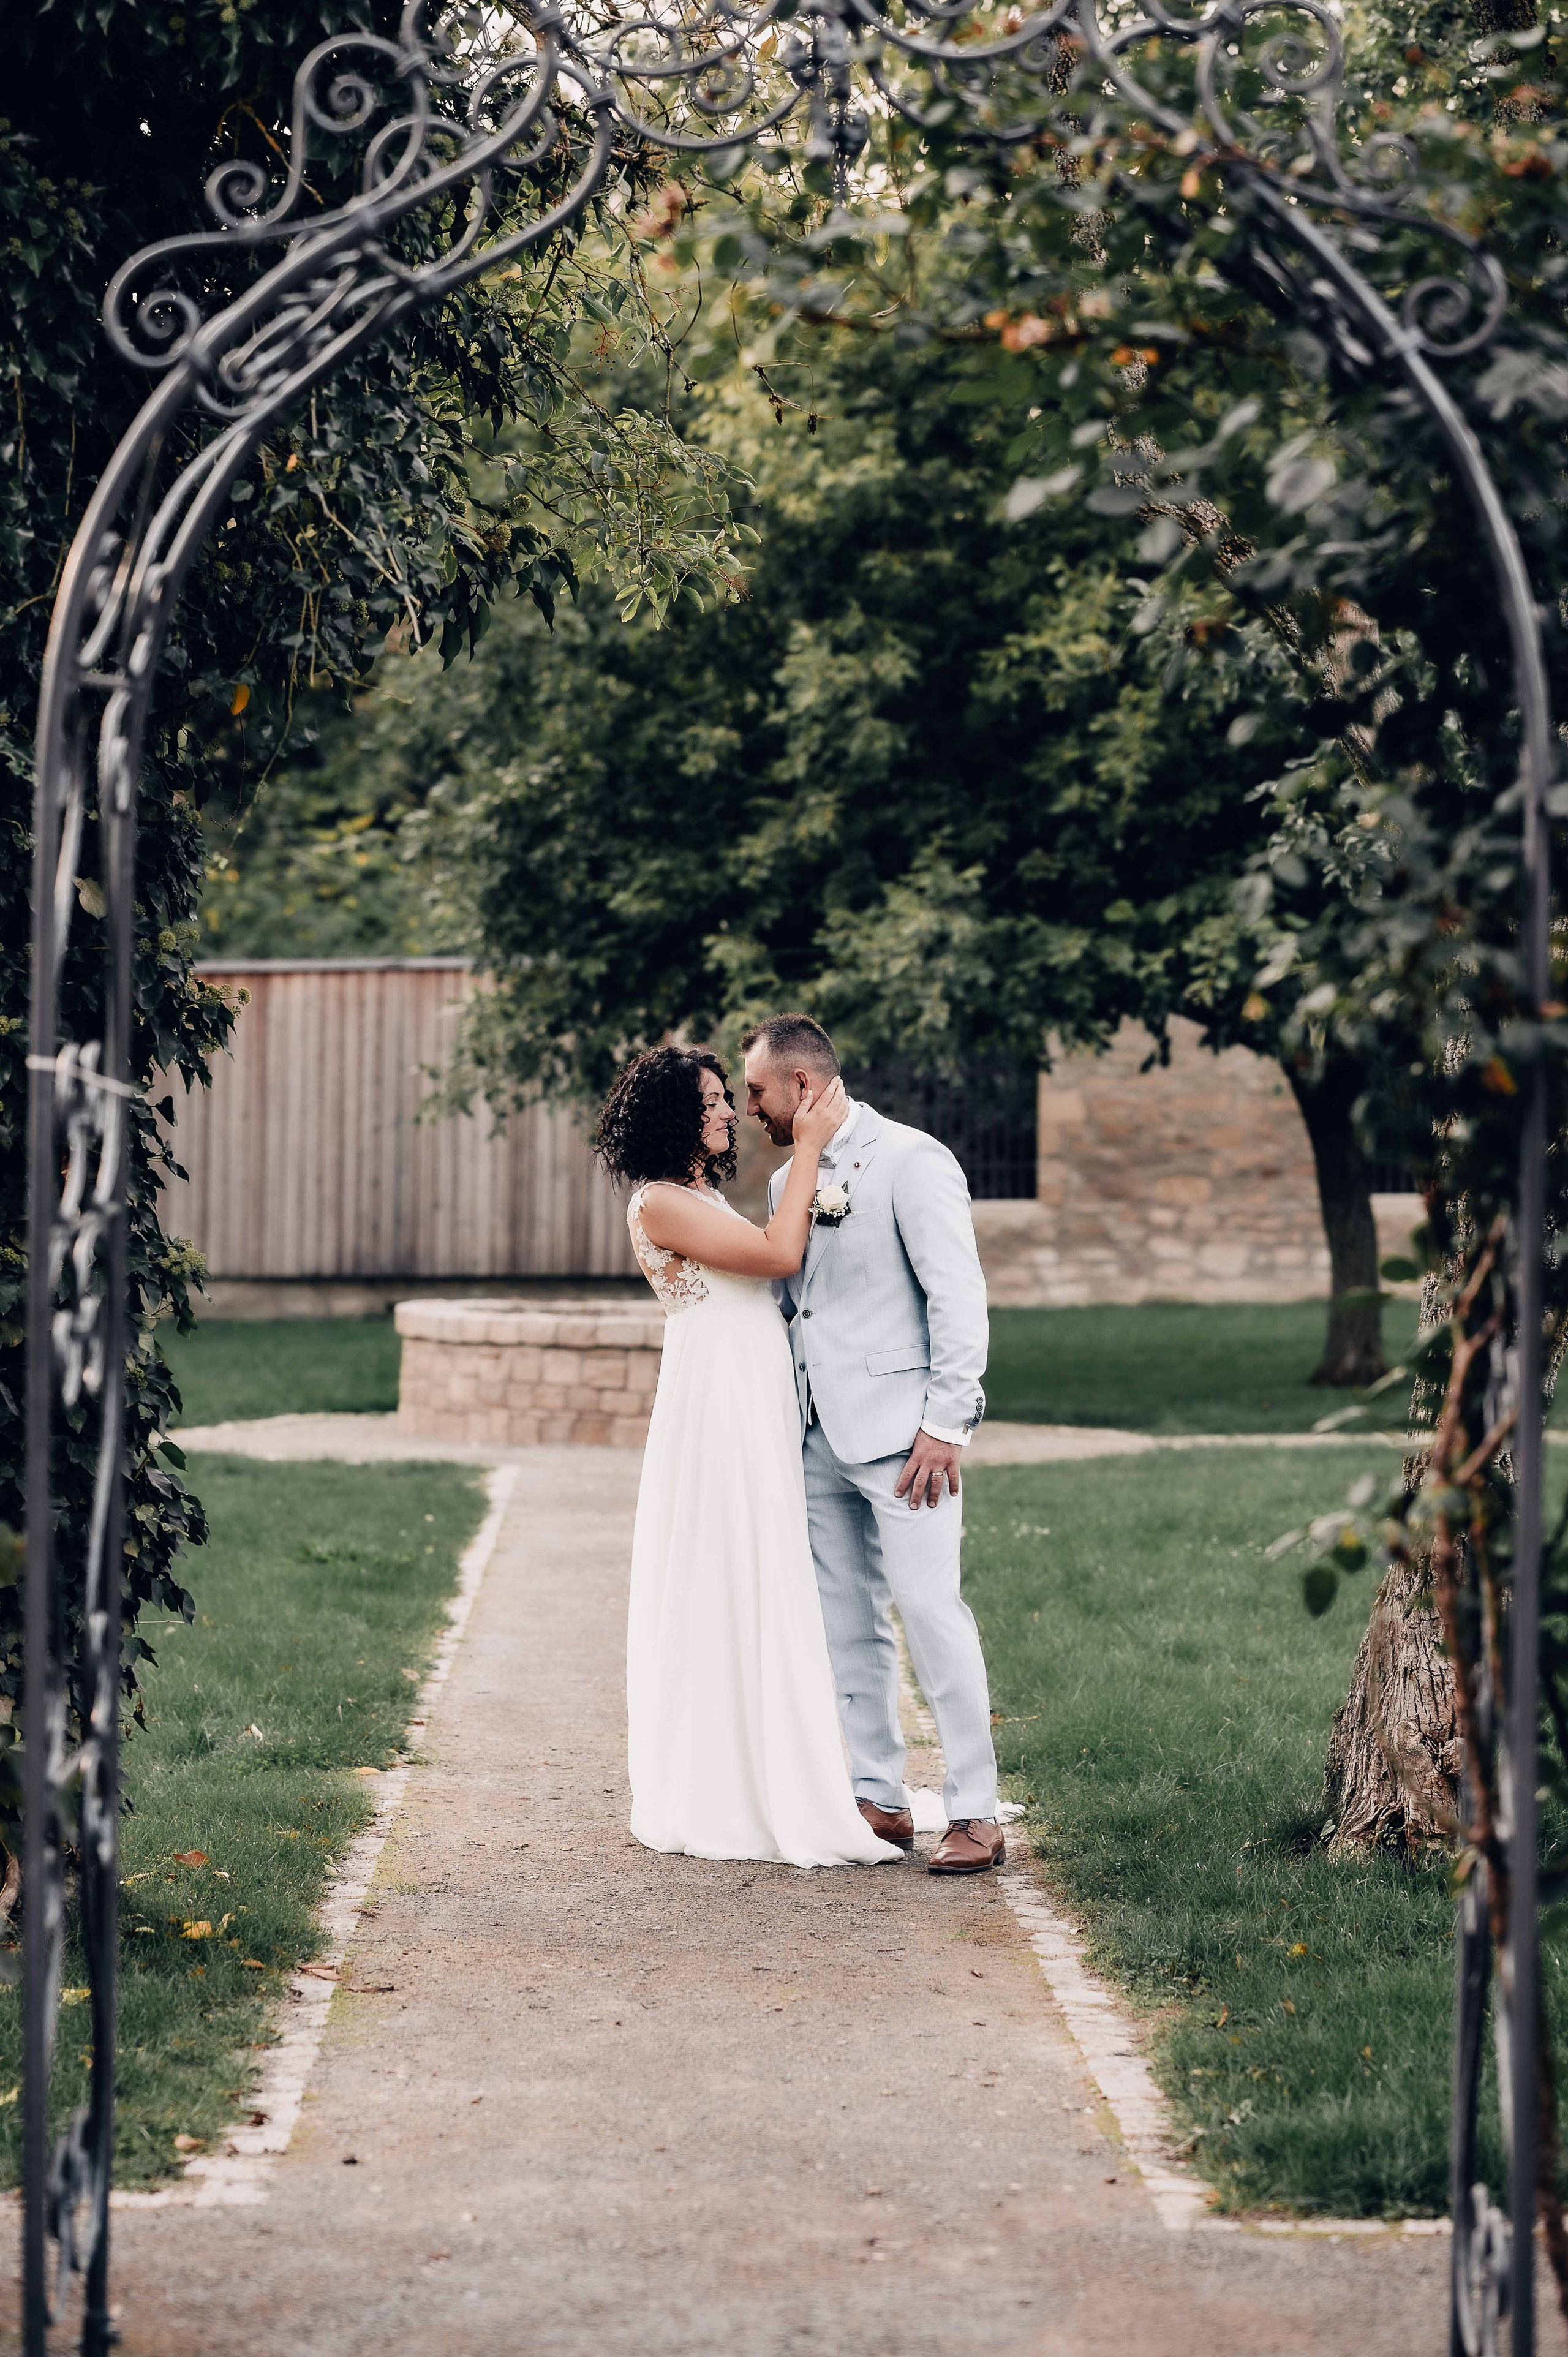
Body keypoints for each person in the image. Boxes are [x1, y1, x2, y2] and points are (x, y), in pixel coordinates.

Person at [595, 1044, 901, 1869]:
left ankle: (783, 1760)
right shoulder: (660, 1202)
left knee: (768, 1566)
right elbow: (776, 1257)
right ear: (675, 1120)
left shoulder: (700, 1194)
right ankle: (731, 1784)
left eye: (729, 1097)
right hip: (718, 1402)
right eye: (711, 1101)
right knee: (732, 1565)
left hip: (752, 1390)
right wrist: (808, 1150)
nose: (730, 1111)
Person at [742, 1014, 1003, 1876]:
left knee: (932, 1613)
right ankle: (878, 1796)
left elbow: (957, 1298)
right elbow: (798, 1304)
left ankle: (974, 1811)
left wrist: (945, 1424)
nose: (752, 1109)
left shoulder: (912, 1160)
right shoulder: (791, 1175)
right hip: (815, 1430)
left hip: (904, 1440)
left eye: (758, 1092)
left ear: (803, 1087)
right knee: (845, 1622)